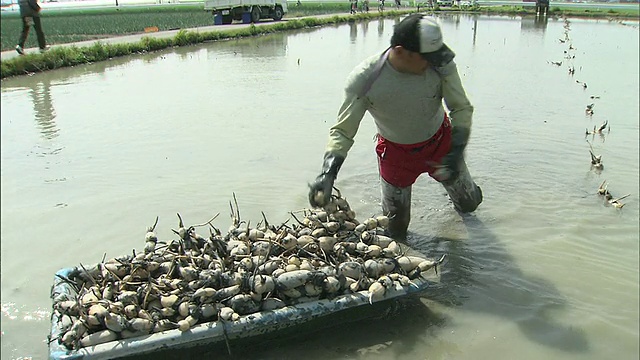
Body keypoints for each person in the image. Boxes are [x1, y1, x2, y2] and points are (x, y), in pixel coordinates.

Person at [307, 14, 483, 241]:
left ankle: (471, 191)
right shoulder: (366, 79)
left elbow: (461, 108)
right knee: (395, 229)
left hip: (441, 144)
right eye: (426, 58)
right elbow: (343, 130)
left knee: (470, 205)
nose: (432, 62)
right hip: (396, 154)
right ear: (401, 51)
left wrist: (456, 150)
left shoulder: (440, 65)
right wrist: (327, 173)